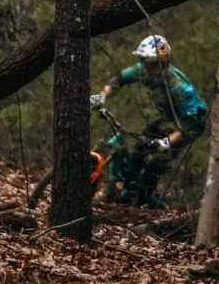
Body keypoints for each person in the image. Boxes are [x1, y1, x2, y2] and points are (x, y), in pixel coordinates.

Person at [90, 33, 209, 206]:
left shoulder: (178, 87)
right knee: (140, 147)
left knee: (156, 162)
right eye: (144, 62)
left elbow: (189, 125)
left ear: (163, 63)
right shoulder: (143, 69)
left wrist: (166, 142)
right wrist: (102, 96)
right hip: (167, 118)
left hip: (191, 123)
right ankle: (126, 191)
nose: (147, 67)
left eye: (151, 63)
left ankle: (146, 199)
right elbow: (119, 79)